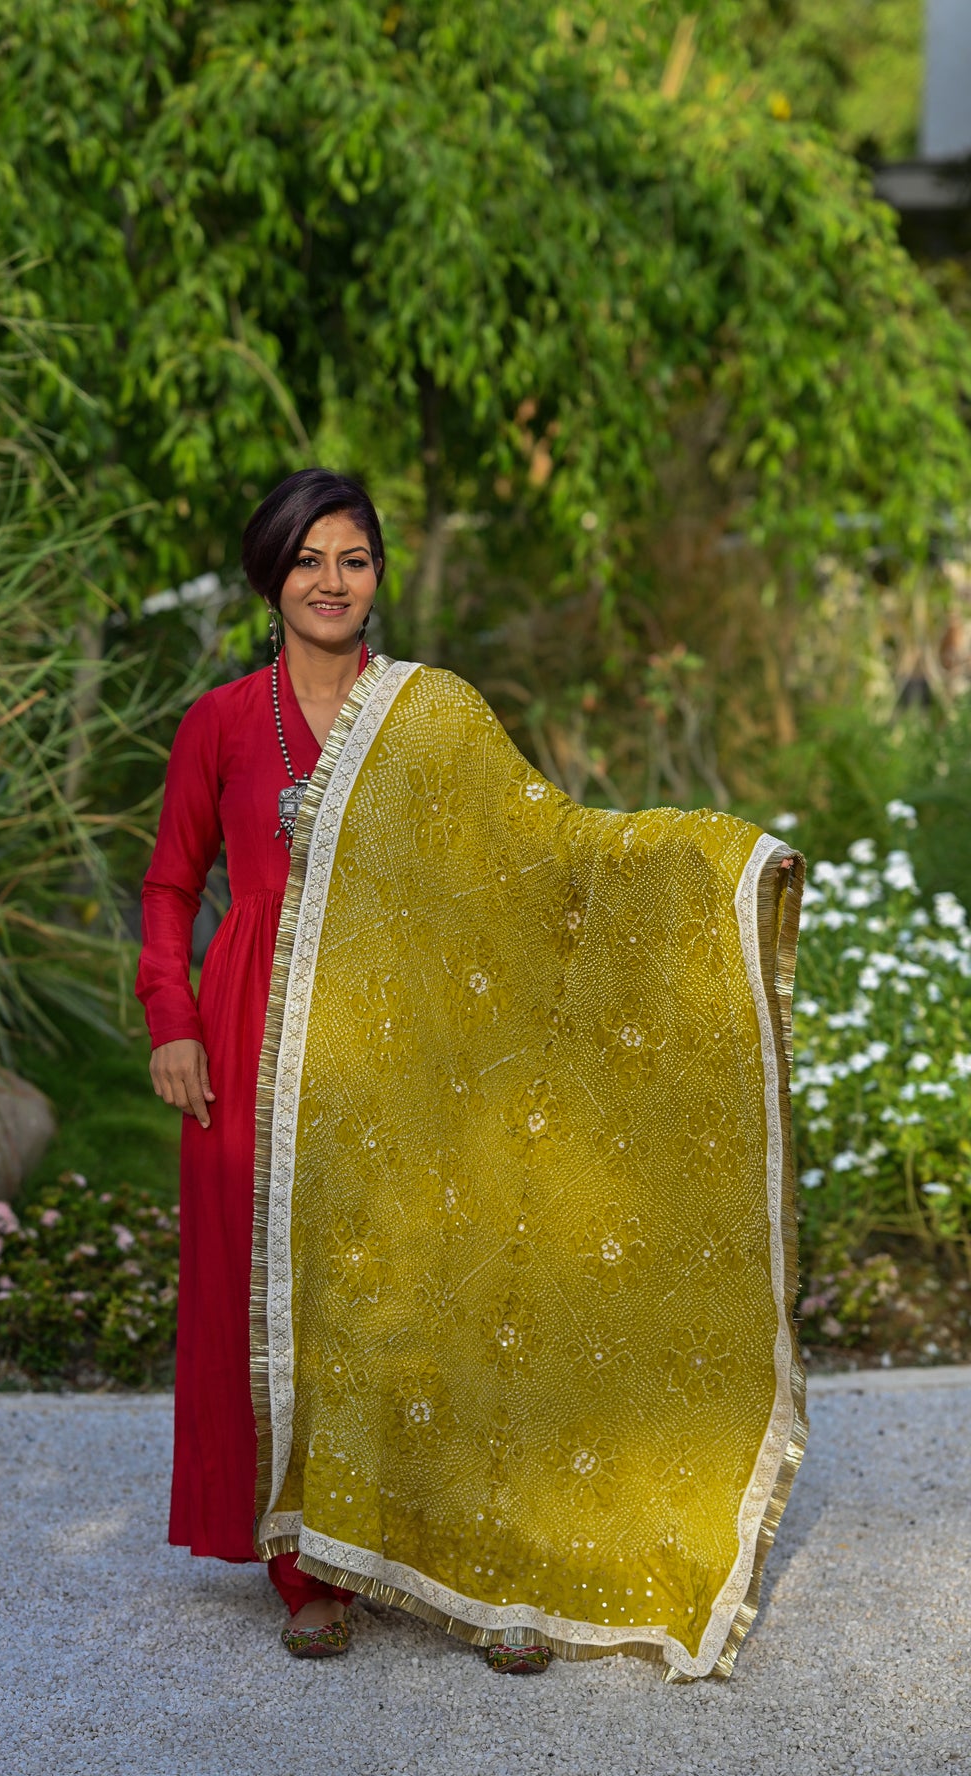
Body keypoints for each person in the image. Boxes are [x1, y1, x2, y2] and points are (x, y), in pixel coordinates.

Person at [139, 469, 806, 1680]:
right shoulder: (223, 723)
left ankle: (484, 1560)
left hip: (406, 1049)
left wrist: (709, 862)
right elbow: (172, 885)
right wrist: (171, 1017)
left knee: (427, 1283)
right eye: (307, 562)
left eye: (352, 558)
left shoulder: (431, 717)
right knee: (281, 1302)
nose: (331, 583)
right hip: (255, 1037)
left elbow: (541, 846)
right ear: (270, 580)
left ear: (378, 574)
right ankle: (314, 1571)